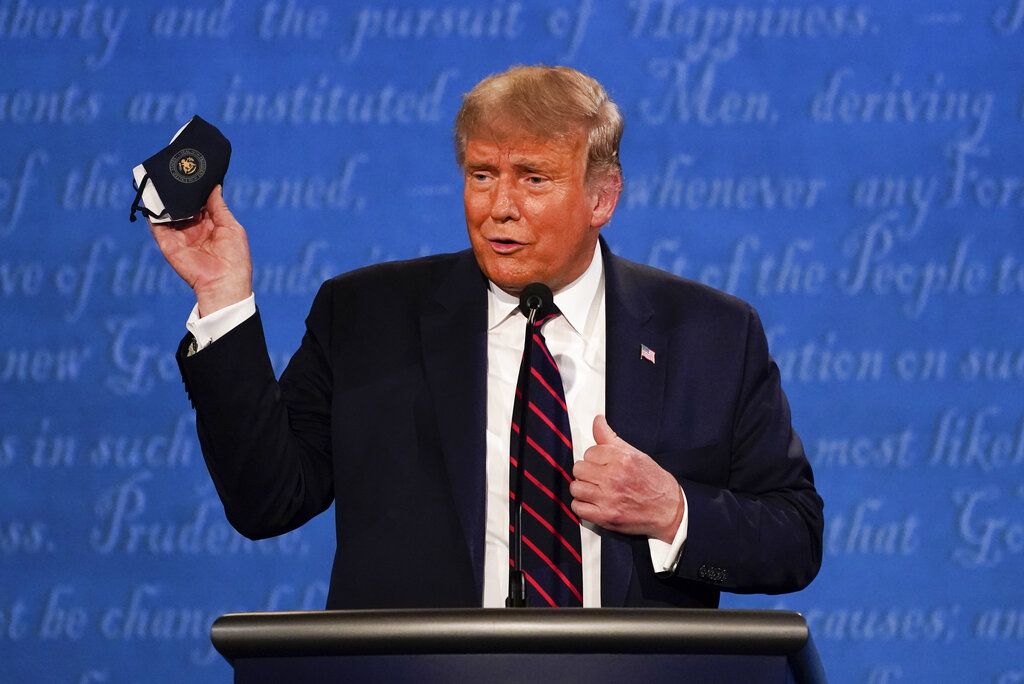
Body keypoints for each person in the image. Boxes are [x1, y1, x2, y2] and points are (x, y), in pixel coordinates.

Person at [150, 65, 823, 609]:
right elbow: (267, 499)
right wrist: (222, 298)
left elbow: (794, 537)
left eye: (533, 178)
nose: (499, 205)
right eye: (481, 175)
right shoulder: (364, 316)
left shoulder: (711, 335)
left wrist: (673, 510)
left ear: (602, 196)